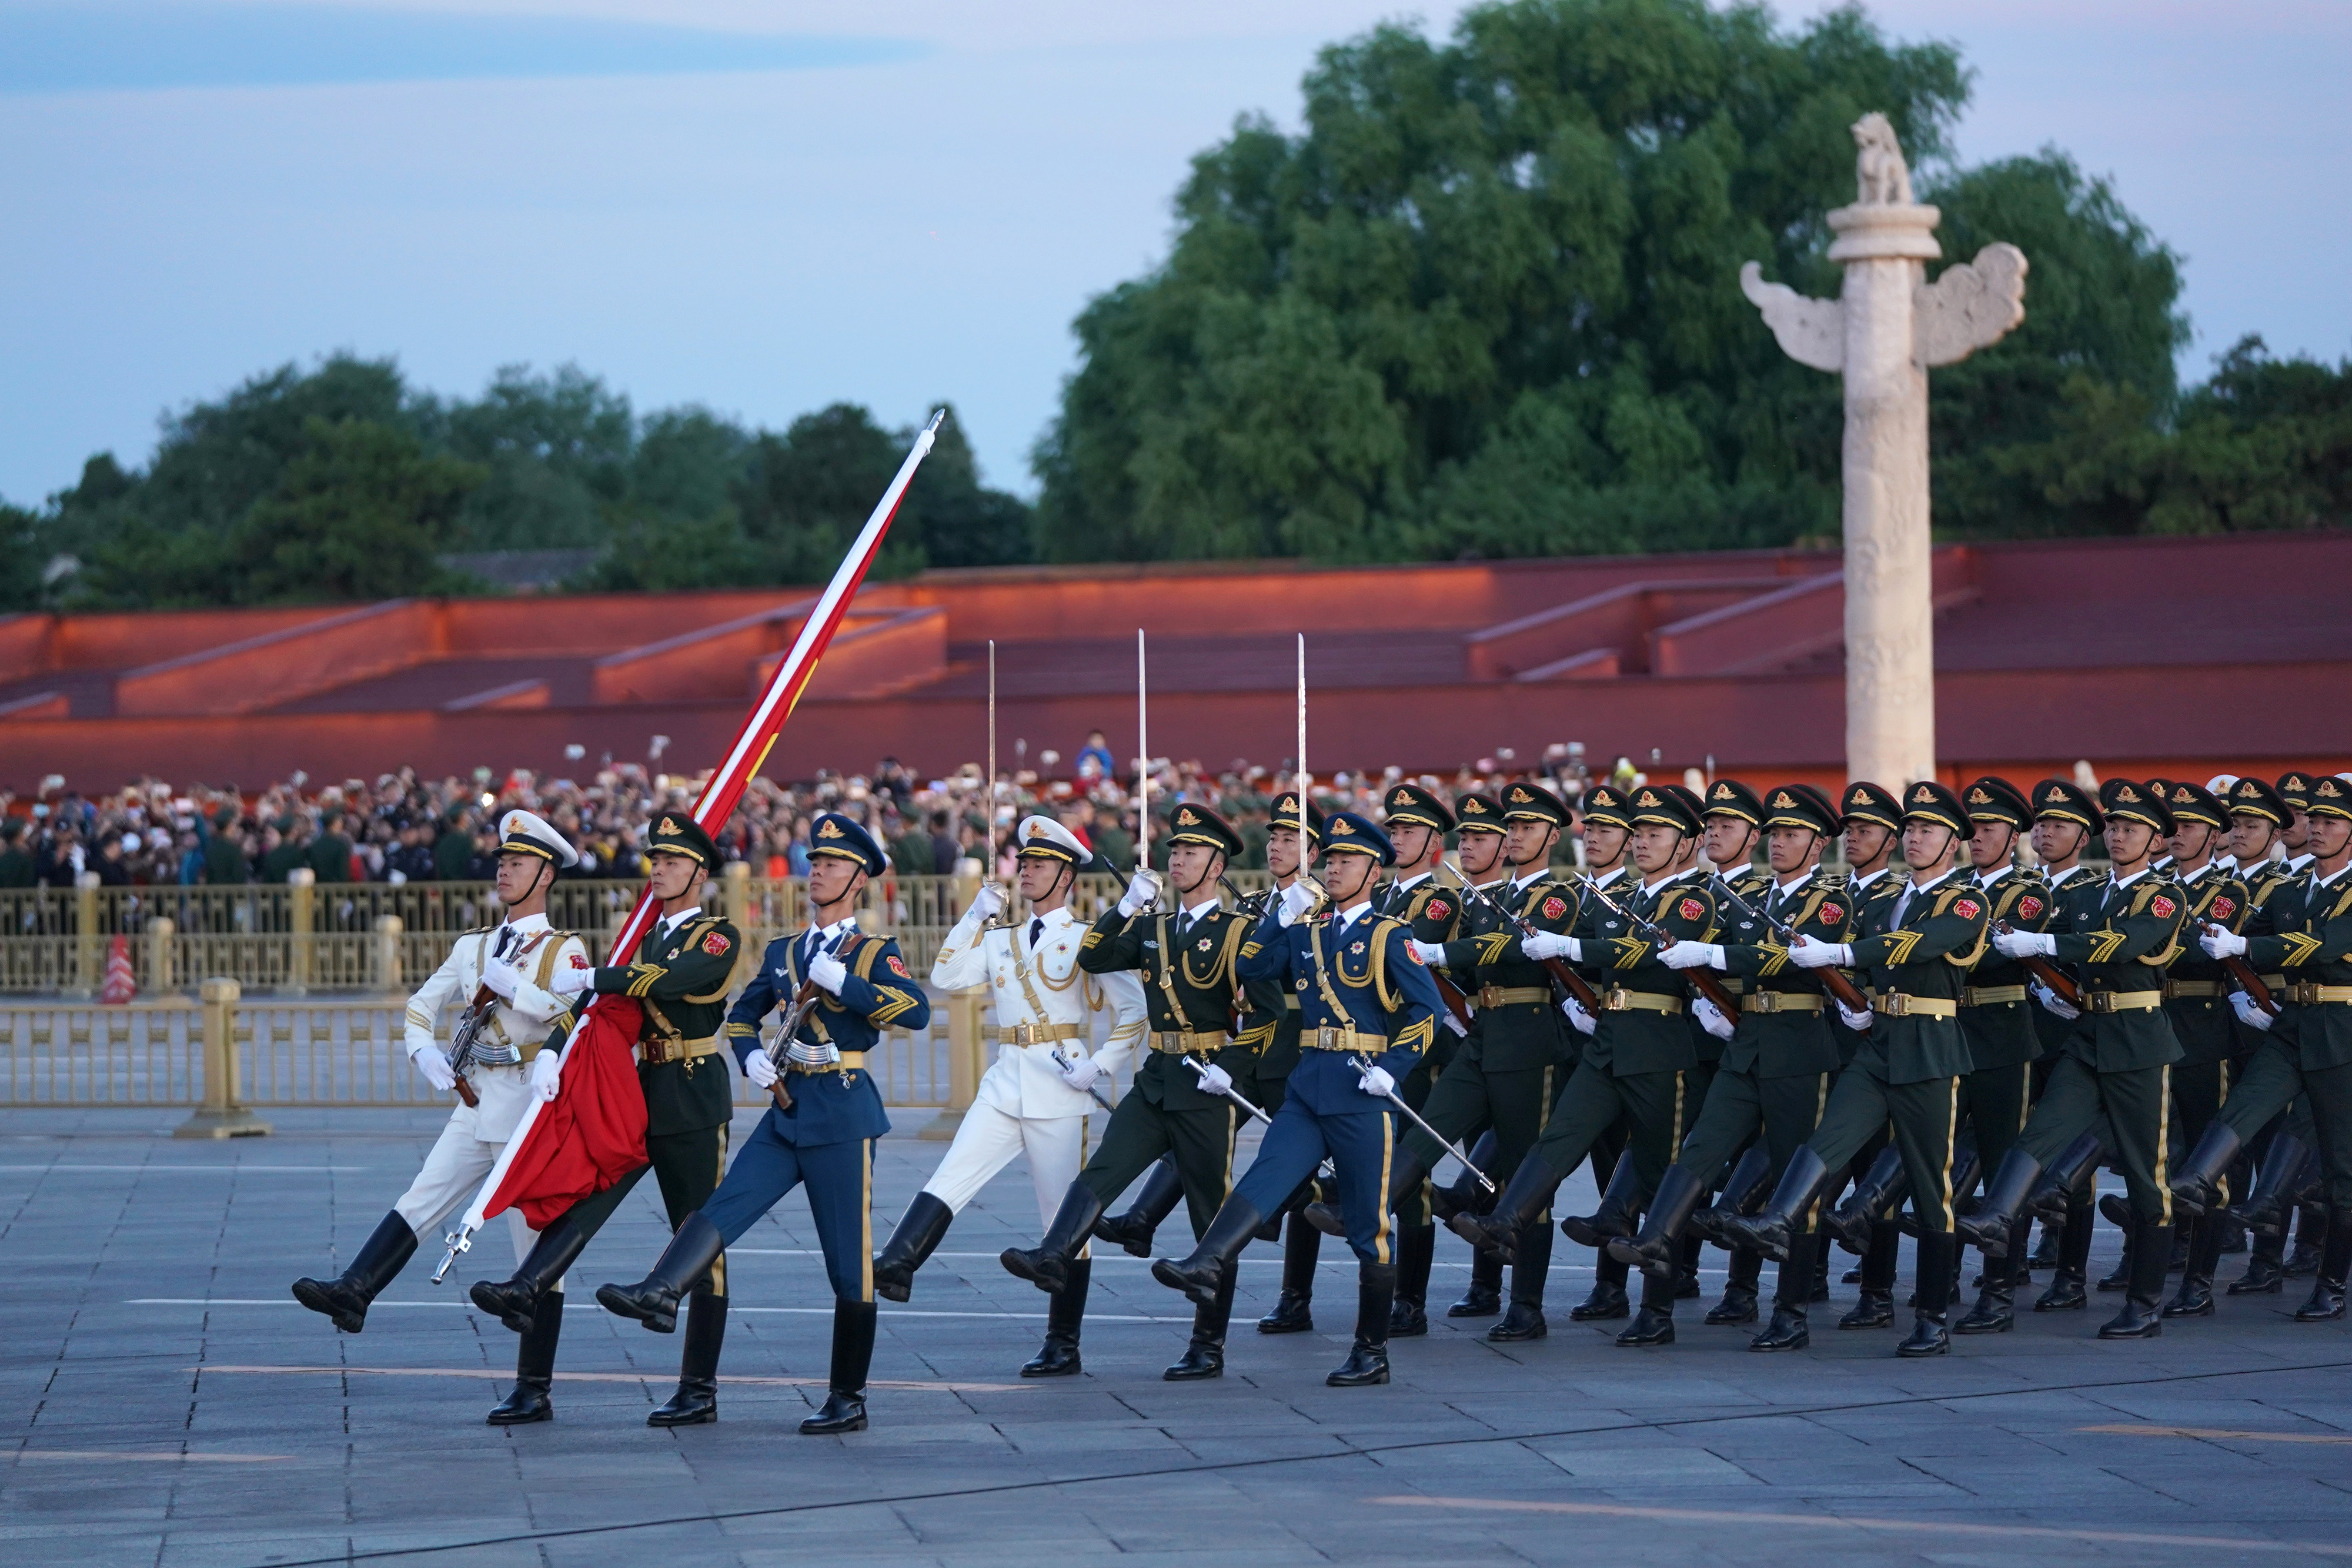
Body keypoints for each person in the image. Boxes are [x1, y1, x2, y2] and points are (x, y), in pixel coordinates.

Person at [597, 812, 926, 1435]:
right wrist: (748, 1055)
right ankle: (659, 1289)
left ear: (857, 879)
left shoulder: (875, 953)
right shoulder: (786, 951)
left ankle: (847, 1397)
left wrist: (847, 986)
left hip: (842, 1113)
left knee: (846, 1264)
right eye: (815, 862)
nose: (816, 873)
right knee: (722, 1208)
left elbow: (915, 1012)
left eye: (830, 865)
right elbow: (742, 1013)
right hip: (786, 1108)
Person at [289, 811, 588, 1422]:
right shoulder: (473, 945)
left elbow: (576, 1015)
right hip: (477, 1097)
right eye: (503, 862)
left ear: (546, 875)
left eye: (519, 864)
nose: (505, 872)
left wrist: (518, 990)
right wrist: (424, 1052)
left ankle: (534, 1388)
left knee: (530, 1250)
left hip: (530, 1106)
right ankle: (355, 1291)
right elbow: (420, 1007)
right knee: (420, 1198)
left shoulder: (565, 949)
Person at [467, 811, 743, 1426]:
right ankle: (527, 1284)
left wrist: (598, 975)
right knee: (589, 1193)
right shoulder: (643, 940)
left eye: (672, 861)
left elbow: (674, 981)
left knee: (698, 1238)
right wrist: (557, 1048)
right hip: (640, 1093)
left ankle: (698, 1388)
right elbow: (609, 1010)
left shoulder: (717, 936)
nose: (660, 870)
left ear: (699, 872)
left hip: (694, 1098)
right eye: (655, 861)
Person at [1154, 811, 1443, 1387]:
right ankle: (1207, 1261)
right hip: (1309, 1084)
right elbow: (1253, 967)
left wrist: (1393, 1068)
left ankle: (1371, 1350)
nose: (1333, 869)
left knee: (1367, 1225)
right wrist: (1280, 916)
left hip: (1363, 1091)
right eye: (1329, 859)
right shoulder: (1307, 930)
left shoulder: (1389, 936)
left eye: (1346, 861)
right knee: (1266, 1176)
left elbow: (1427, 1012)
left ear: (1373, 869)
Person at [1003, 804, 1278, 1380]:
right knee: (1104, 1169)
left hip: (1206, 1086)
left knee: (1210, 1217)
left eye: (1191, 853)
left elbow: (1266, 1016)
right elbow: (1096, 955)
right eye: (1174, 852)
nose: (1178, 861)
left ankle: (1208, 1346)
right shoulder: (1154, 928)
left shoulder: (1237, 933)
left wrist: (1232, 1066)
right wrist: (1124, 908)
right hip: (1158, 1077)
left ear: (1217, 864)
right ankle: (1053, 1252)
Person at [1718, 780, 1989, 1358]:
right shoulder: (1890, 898)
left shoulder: (1966, 900)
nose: (1915, 839)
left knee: (1929, 1188)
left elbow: (1914, 945)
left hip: (1929, 1051)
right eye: (1911, 829)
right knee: (1825, 1144)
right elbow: (1870, 954)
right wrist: (1852, 996)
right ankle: (1782, 1244)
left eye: (1928, 831)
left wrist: (1840, 957)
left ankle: (1932, 1317)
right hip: (1877, 1043)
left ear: (1954, 843)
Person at [870, 815, 1145, 1376]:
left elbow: (1134, 1011)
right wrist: (974, 917)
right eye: (1023, 862)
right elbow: (947, 977)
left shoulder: (1089, 938)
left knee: (1061, 1220)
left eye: (1038, 864)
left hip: (1061, 1089)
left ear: (1065, 875)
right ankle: (898, 1263)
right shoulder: (1004, 939)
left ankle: (1063, 1342)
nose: (1025, 871)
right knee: (952, 1173)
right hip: (1005, 1082)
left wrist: (1099, 1064)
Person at [1453, 783, 1719, 1349]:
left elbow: (1644, 952)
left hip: (1660, 1050)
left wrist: (1569, 949)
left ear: (1687, 843)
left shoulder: (1694, 898)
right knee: (1560, 1135)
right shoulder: (1621, 899)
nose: (1643, 842)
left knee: (1656, 1177)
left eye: (1657, 834)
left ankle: (1657, 1306)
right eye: (1640, 833)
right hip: (1608, 1041)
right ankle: (1508, 1219)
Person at [1618, 783, 1849, 1352]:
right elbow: (1707, 942)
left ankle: (1790, 1309)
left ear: (1817, 844)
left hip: (1800, 1049)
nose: (1779, 843)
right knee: (1697, 1151)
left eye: (1792, 834)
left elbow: (1790, 957)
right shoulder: (1749, 900)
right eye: (1774, 834)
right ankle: (1656, 1269)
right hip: (1746, 1044)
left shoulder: (1831, 898)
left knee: (1797, 1179)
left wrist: (1714, 958)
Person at [1960, 778, 2190, 1340]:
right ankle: (1998, 1213)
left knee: (2145, 1176)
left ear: (2156, 839)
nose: (2117, 836)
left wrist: (2044, 946)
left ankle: (2145, 1302)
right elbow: (2050, 936)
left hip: (2138, 1042)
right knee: (2039, 1133)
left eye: (2130, 828)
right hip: (2089, 1034)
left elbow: (2124, 944)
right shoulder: (2089, 896)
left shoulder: (2165, 895)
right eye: (2113, 826)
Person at [1348, 781, 1577, 1344]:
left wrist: (1438, 954)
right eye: (1513, 827)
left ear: (1549, 837)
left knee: (1525, 1174)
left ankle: (1526, 1304)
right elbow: (1473, 967)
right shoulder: (1483, 901)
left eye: (1523, 828)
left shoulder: (1556, 896)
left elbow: (1505, 947)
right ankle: (1362, 1204)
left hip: (1529, 1040)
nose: (1514, 837)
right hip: (1481, 1034)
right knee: (1426, 1132)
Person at [2170, 771, 2352, 1323]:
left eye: (2330, 821)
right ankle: (2195, 1178)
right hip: (2291, 1021)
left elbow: (2322, 944)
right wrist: (2212, 936)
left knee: (2342, 1164)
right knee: (2246, 1103)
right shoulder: (2296, 890)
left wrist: (2246, 943)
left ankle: (2331, 1281)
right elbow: (2248, 929)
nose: (2317, 829)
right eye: (2314, 819)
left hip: (2342, 1031)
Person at [1945, 776, 2054, 1335]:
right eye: (1974, 829)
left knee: (2000, 1165)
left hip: (2003, 1036)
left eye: (1989, 829)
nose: (1979, 837)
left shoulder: (2028, 891)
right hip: (1953, 1030)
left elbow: (1985, 956)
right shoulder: (1956, 884)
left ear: (2014, 835)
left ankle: (2000, 1287)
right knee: (1944, 1162)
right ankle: (1946, 1275)